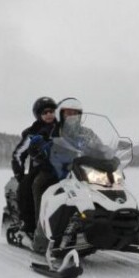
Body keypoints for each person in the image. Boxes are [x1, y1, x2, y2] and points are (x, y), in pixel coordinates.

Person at [30, 97, 84, 233]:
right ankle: (40, 228)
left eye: (75, 113)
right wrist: (39, 147)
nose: (72, 117)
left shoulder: (85, 132)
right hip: (54, 169)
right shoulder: (52, 130)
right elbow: (36, 146)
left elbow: (99, 146)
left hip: (80, 170)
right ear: (61, 114)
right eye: (68, 113)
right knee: (39, 184)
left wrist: (110, 154)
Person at [11, 96, 57, 234]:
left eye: (51, 111)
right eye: (45, 112)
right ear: (39, 115)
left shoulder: (63, 128)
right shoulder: (32, 133)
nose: (49, 114)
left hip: (66, 168)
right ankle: (36, 226)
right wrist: (20, 174)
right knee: (35, 185)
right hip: (42, 168)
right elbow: (18, 154)